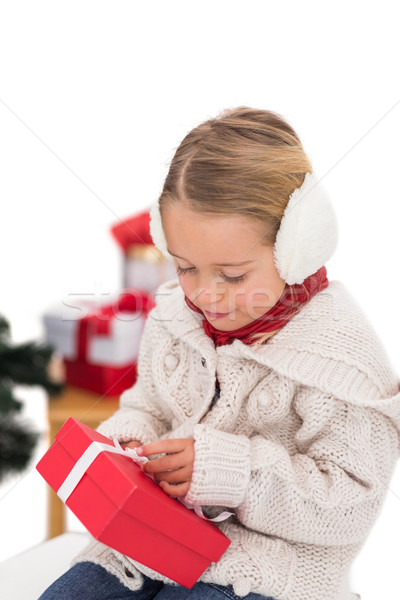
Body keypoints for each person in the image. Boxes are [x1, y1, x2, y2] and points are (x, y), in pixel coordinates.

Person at [39, 107, 400, 600]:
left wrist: (230, 473)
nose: (205, 295)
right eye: (186, 266)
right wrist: (126, 445)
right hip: (150, 541)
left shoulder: (344, 362)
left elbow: (349, 505)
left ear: (295, 247)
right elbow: (148, 405)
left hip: (268, 566)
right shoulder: (174, 314)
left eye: (232, 276)